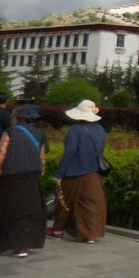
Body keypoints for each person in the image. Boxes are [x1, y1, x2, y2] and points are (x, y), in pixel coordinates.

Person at [48, 99, 107, 244]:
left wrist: (59, 174)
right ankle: (90, 234)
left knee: (64, 202)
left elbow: (69, 153)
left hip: (73, 173)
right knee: (91, 204)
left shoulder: (75, 130)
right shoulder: (100, 129)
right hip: (93, 172)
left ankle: (57, 230)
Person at [0, 106, 47, 257]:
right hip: (32, 177)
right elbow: (42, 157)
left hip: (11, 177)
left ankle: (0, 245)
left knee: (5, 210)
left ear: (15, 118)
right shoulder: (38, 134)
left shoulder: (10, 133)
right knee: (28, 211)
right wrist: (39, 175)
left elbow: (1, 155)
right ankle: (22, 247)